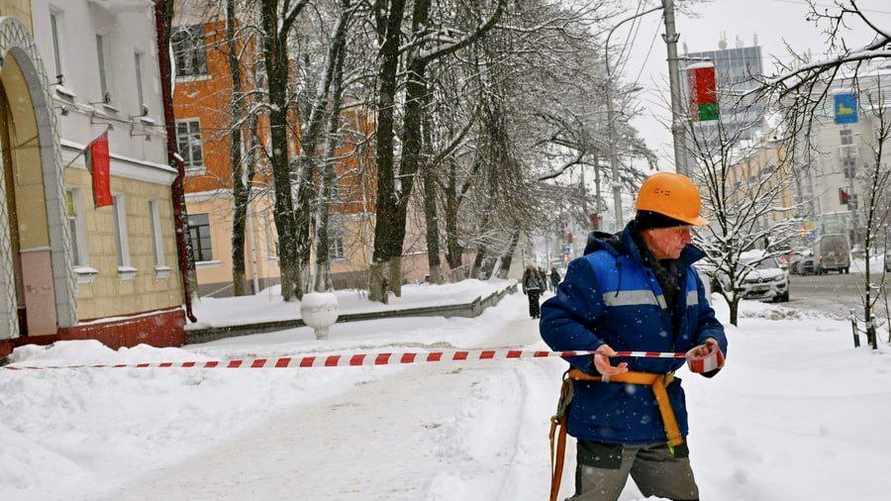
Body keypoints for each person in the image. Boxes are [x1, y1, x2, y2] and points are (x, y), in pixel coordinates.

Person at [540, 172, 728, 501]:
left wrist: (711, 344)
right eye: (681, 229)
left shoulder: (689, 275)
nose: (689, 239)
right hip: (607, 421)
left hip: (663, 420)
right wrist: (593, 350)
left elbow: (706, 320)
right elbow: (555, 319)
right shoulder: (597, 269)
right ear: (652, 227)